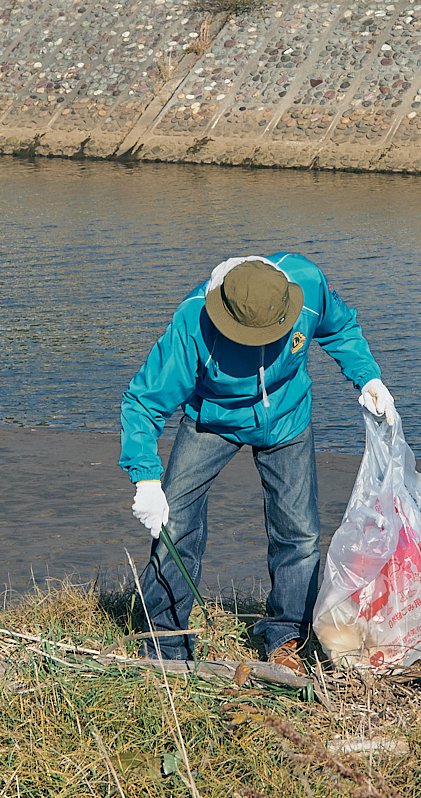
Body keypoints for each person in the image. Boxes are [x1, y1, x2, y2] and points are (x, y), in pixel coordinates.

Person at [120, 253, 395, 674]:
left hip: (287, 419)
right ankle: (164, 644)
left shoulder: (308, 285)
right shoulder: (193, 323)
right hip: (212, 419)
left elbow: (340, 328)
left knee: (299, 532)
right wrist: (146, 480)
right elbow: (143, 401)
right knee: (174, 525)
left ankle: (287, 635)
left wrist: (368, 376)